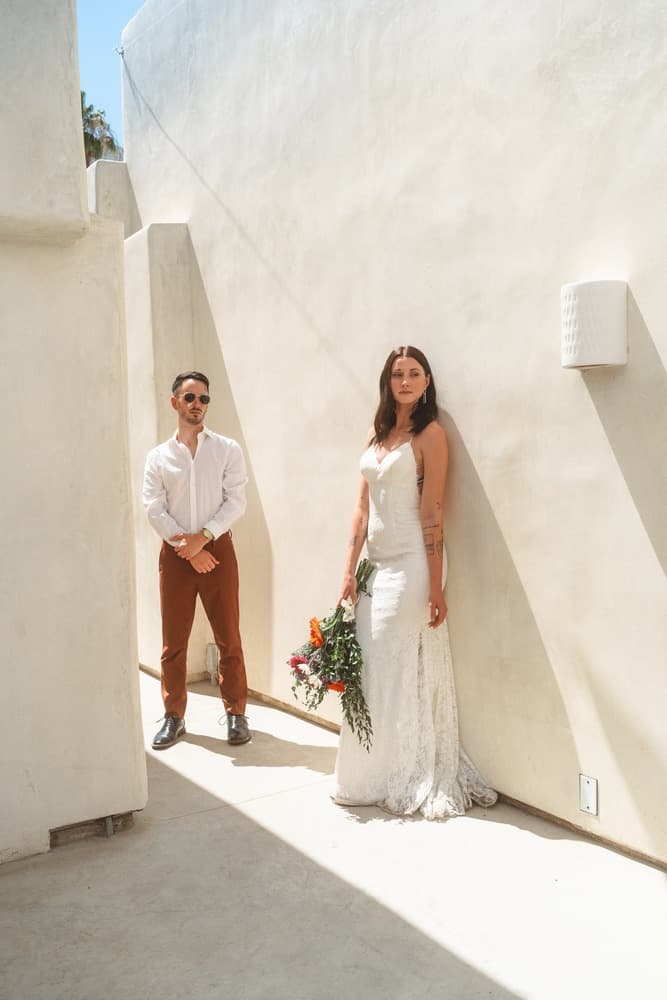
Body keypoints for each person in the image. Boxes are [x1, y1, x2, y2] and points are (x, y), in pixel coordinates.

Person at [334, 347, 497, 818]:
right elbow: (361, 509)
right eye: (397, 374)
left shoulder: (431, 435)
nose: (404, 381)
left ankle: (402, 771)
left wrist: (436, 585)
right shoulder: (376, 433)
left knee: (393, 661)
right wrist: (347, 569)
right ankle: (367, 772)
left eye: (414, 374)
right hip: (374, 568)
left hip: (410, 565)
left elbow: (433, 512)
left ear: (427, 382)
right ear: (387, 381)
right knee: (368, 663)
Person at [143, 371, 251, 750]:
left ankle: (236, 712)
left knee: (228, 636)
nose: (197, 405)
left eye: (203, 399)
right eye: (189, 398)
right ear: (175, 402)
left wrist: (202, 539)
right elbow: (153, 507)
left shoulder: (227, 449)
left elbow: (236, 501)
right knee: (174, 641)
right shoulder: (158, 457)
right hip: (175, 556)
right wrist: (185, 546)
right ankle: (174, 716)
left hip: (217, 550)